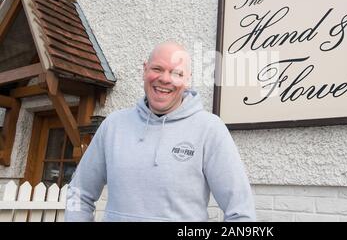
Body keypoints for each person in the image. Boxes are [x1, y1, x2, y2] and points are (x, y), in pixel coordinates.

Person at [65, 41, 255, 221]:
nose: (164, 79)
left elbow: (240, 211)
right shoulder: (113, 125)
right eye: (157, 69)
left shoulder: (210, 129)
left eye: (176, 73)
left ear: (187, 81)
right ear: (144, 70)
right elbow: (78, 192)